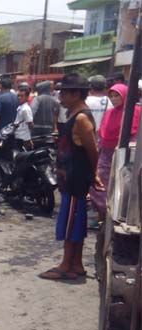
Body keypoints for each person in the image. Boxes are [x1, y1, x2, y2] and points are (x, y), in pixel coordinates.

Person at [39, 73, 104, 281]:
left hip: (76, 180)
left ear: (76, 94)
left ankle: (66, 265)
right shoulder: (74, 115)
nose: (60, 97)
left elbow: (93, 151)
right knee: (75, 222)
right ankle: (76, 264)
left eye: (64, 93)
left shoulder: (82, 118)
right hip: (71, 180)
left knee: (70, 223)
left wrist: (93, 174)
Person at [89, 83, 141, 222]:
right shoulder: (109, 113)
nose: (113, 99)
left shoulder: (135, 112)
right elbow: (102, 134)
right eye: (111, 95)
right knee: (97, 186)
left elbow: (134, 135)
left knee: (123, 187)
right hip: (106, 155)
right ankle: (104, 214)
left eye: (116, 95)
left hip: (126, 155)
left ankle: (117, 215)